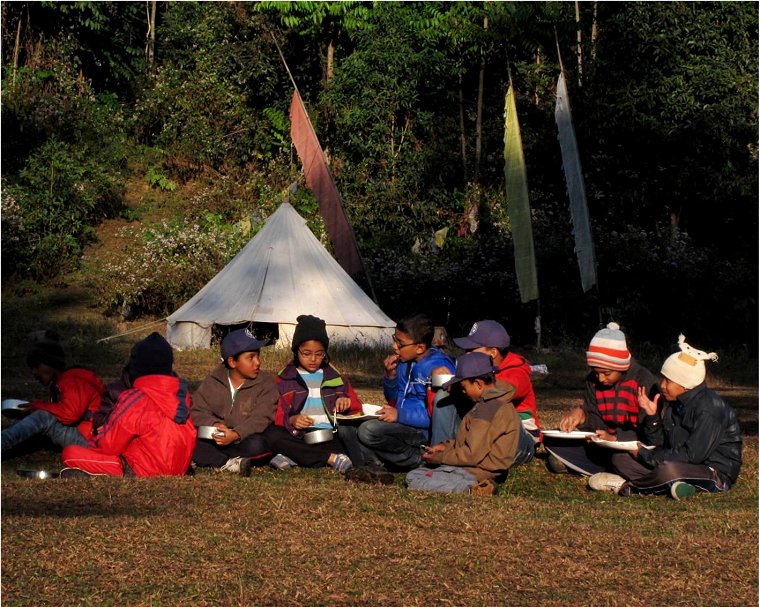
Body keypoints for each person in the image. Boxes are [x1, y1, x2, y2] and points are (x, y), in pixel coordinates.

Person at [588, 335, 742, 499]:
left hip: (711, 472)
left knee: (670, 470)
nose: (662, 385)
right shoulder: (676, 403)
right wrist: (652, 417)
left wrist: (644, 455)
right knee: (621, 459)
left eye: (668, 381)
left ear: (684, 384)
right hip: (678, 465)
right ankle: (672, 486)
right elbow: (660, 444)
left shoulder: (709, 408)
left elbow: (692, 457)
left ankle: (629, 487)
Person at [60, 332, 196, 477]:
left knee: (70, 453)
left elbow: (109, 445)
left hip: (140, 469)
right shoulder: (183, 397)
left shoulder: (137, 398)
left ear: (137, 367)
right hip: (179, 469)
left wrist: (93, 444)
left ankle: (101, 473)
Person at [406, 352, 534, 495]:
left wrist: (440, 458)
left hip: (478, 469)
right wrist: (446, 445)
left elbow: (471, 454)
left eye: (464, 386)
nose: (463, 391)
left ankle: (475, 488)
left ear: (478, 384)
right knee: (418, 474)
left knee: (415, 479)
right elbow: (473, 441)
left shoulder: (487, 410)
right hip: (478, 466)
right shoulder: (491, 403)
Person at [543, 322, 659, 476]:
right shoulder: (593, 381)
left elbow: (651, 434)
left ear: (621, 366)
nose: (601, 378)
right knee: (552, 442)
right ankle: (608, 469)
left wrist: (616, 438)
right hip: (604, 444)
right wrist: (583, 416)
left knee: (621, 458)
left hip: (633, 447)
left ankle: (609, 469)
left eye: (606, 373)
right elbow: (596, 423)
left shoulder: (643, 381)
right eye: (596, 372)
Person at [351, 313, 455, 481]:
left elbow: (441, 414)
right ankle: (382, 462)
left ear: (420, 348)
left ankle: (420, 458)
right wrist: (390, 376)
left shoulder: (438, 367)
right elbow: (394, 397)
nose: (394, 346)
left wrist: (400, 415)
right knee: (354, 429)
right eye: (395, 339)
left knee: (368, 431)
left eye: (400, 343)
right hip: (404, 424)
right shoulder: (404, 362)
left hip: (423, 431)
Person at [263, 315, 359, 474]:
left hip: (329, 436)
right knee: (272, 435)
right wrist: (293, 420)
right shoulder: (284, 379)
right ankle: (331, 459)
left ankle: (295, 456)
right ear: (296, 351)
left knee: (349, 439)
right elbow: (278, 413)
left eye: (319, 354)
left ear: (325, 353)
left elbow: (357, 407)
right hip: (300, 435)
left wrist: (346, 401)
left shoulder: (337, 379)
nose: (313, 359)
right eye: (306, 353)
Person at [432, 319, 540, 444]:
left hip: (518, 435)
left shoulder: (516, 371)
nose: (466, 354)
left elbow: (499, 393)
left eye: (471, 349)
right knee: (444, 396)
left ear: (492, 353)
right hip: (485, 428)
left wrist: (462, 383)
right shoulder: (476, 367)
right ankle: (438, 450)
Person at [190, 328, 280, 475]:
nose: (258, 362)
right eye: (251, 358)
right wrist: (214, 424)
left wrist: (236, 434)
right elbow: (197, 410)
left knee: (258, 444)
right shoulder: (213, 381)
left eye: (258, 356)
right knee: (190, 439)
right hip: (217, 438)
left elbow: (262, 417)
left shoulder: (266, 383)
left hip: (245, 439)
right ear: (232, 362)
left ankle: (211, 458)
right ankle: (228, 462)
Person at [2, 336, 105, 455]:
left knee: (42, 416)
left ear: (50, 363)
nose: (34, 373)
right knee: (37, 417)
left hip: (91, 441)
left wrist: (39, 406)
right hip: (86, 435)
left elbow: (70, 414)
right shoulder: (61, 383)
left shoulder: (71, 381)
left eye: (36, 366)